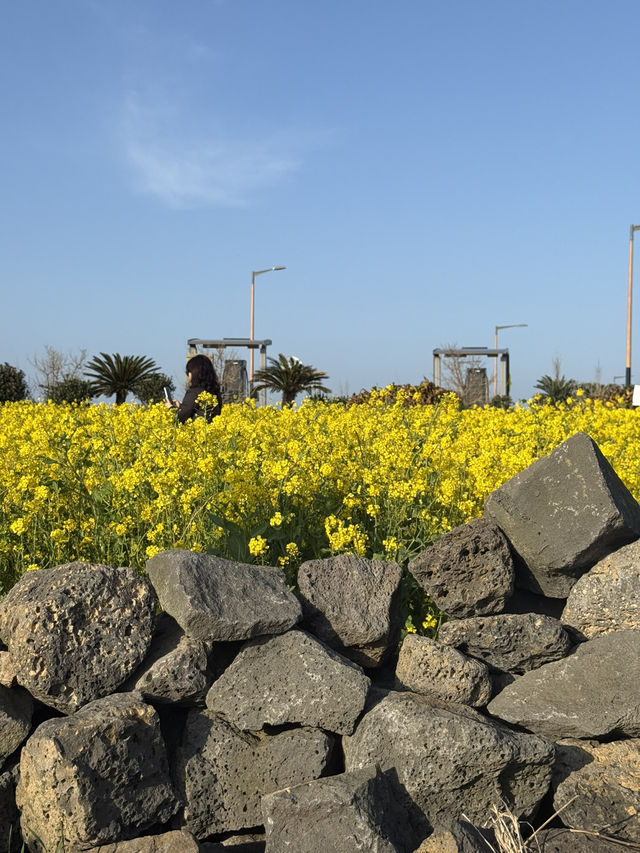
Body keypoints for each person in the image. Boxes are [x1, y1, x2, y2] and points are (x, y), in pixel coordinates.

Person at [166, 354, 222, 423]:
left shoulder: (194, 392)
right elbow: (198, 411)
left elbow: (180, 417)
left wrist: (171, 408)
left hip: (197, 432)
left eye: (188, 372)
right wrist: (181, 407)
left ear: (194, 373)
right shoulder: (214, 391)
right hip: (213, 432)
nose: (188, 375)